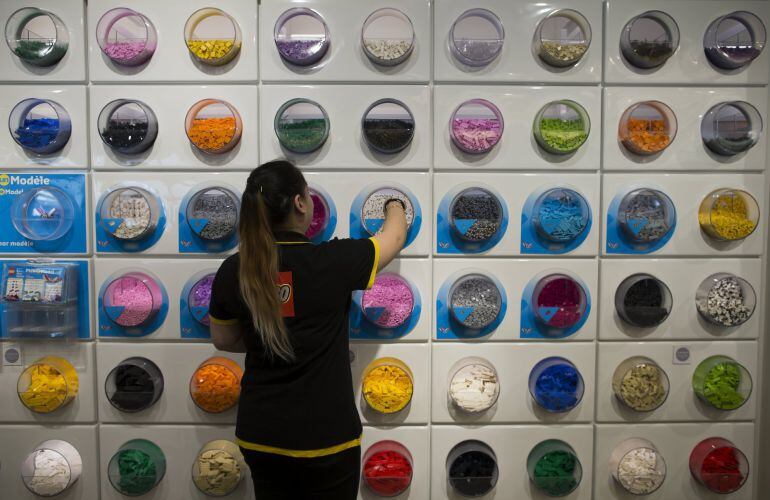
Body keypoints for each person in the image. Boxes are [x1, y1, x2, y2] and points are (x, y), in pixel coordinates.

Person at [208, 159, 407, 499]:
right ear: (300, 203)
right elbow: (395, 233)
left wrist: (271, 336)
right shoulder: (334, 260)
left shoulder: (234, 269)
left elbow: (224, 339)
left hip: (262, 435)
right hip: (326, 438)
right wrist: (394, 204)